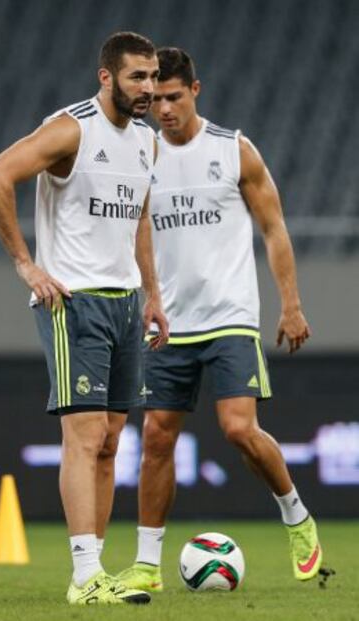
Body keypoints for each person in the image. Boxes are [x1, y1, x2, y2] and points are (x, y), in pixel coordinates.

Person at [118, 47, 322, 592]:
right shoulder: (140, 155)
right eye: (155, 98)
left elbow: (274, 228)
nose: (162, 109)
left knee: (237, 428)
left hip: (230, 314)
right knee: (157, 438)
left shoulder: (234, 150)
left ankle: (296, 517)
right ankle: (146, 563)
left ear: (195, 91)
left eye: (173, 97)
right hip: (168, 322)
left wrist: (292, 304)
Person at [0, 31, 168, 606]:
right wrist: (26, 266)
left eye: (154, 77)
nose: (149, 89)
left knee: (111, 441)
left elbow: (138, 221)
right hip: (73, 300)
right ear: (106, 77)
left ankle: (97, 572)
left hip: (125, 303)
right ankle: (84, 575)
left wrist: (153, 295)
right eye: (138, 77)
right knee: (84, 436)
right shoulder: (71, 128)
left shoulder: (147, 143)